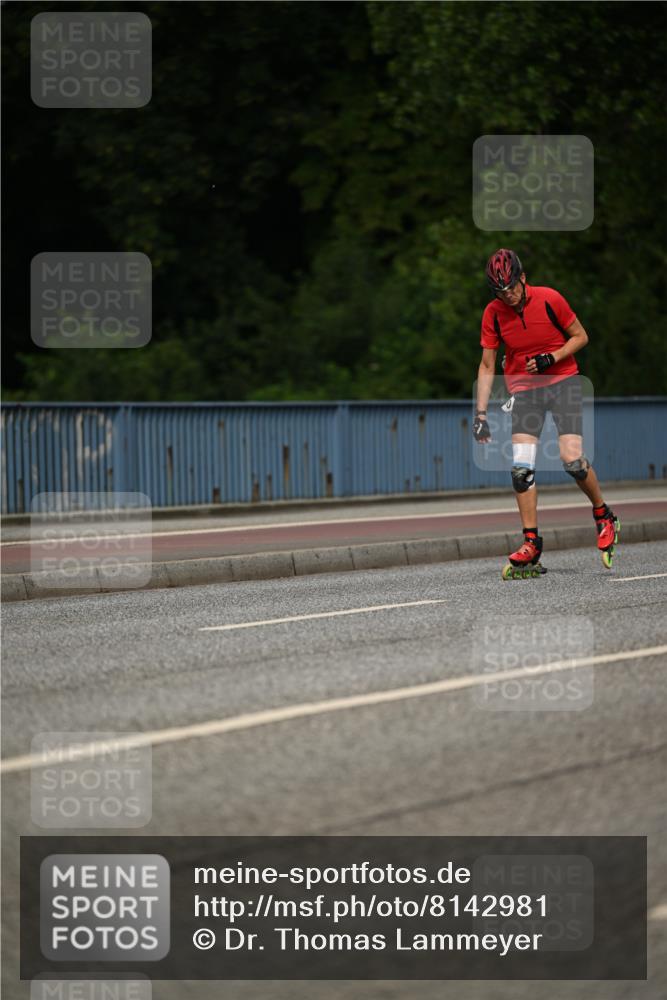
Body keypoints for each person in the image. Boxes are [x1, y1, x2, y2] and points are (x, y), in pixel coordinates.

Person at [473, 248, 620, 577]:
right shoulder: (494, 313)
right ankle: (531, 543)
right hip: (525, 391)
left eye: (511, 287)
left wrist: (551, 358)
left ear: (523, 278)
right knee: (521, 471)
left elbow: (581, 336)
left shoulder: (550, 298)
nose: (507, 295)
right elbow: (487, 364)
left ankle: (603, 514)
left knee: (572, 461)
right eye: (500, 291)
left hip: (563, 383)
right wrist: (480, 414)